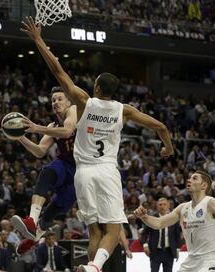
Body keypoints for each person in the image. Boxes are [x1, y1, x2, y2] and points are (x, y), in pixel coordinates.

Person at [21, 17, 173, 272]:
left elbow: (58, 70)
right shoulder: (124, 111)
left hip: (83, 173)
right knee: (113, 230)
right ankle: (94, 267)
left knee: (94, 230)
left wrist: (38, 39)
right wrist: (168, 148)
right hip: (107, 171)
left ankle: (91, 266)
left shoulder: (84, 102)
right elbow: (161, 127)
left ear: (97, 87)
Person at [134, 170, 215, 272]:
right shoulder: (183, 208)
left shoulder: (211, 203)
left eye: (194, 178)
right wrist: (144, 217)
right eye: (189, 178)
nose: (189, 180)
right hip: (190, 260)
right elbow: (159, 223)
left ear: (204, 186)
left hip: (209, 259)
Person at [8, 86, 77, 253]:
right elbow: (39, 151)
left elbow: (67, 132)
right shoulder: (53, 125)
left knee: (53, 211)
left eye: (60, 99)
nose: (55, 102)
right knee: (48, 171)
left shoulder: (74, 110)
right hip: (65, 164)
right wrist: (20, 137)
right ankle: (31, 220)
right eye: (53, 100)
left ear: (69, 102)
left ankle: (35, 237)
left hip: (84, 170)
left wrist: (37, 128)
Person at [141, 197, 181, 272]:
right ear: (157, 206)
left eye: (164, 204)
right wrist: (145, 245)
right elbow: (144, 233)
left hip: (169, 252)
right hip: (155, 251)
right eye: (160, 205)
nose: (162, 206)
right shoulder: (152, 217)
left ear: (168, 205)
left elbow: (177, 235)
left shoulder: (173, 218)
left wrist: (177, 249)